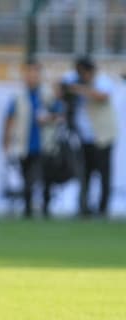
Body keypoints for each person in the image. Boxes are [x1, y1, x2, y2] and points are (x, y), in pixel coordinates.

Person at [2, 59, 61, 218]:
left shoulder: (48, 95)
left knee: (46, 180)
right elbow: (9, 119)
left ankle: (46, 209)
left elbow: (60, 115)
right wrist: (6, 141)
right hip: (24, 144)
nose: (31, 77)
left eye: (35, 73)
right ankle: (28, 210)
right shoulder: (18, 96)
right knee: (27, 180)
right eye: (29, 73)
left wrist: (47, 119)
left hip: (46, 144)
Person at [60, 56, 117, 218]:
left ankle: (103, 209)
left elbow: (102, 96)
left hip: (103, 137)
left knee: (104, 175)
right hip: (84, 138)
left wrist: (78, 89)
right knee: (85, 174)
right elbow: (60, 89)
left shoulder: (102, 81)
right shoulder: (74, 80)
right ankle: (84, 207)